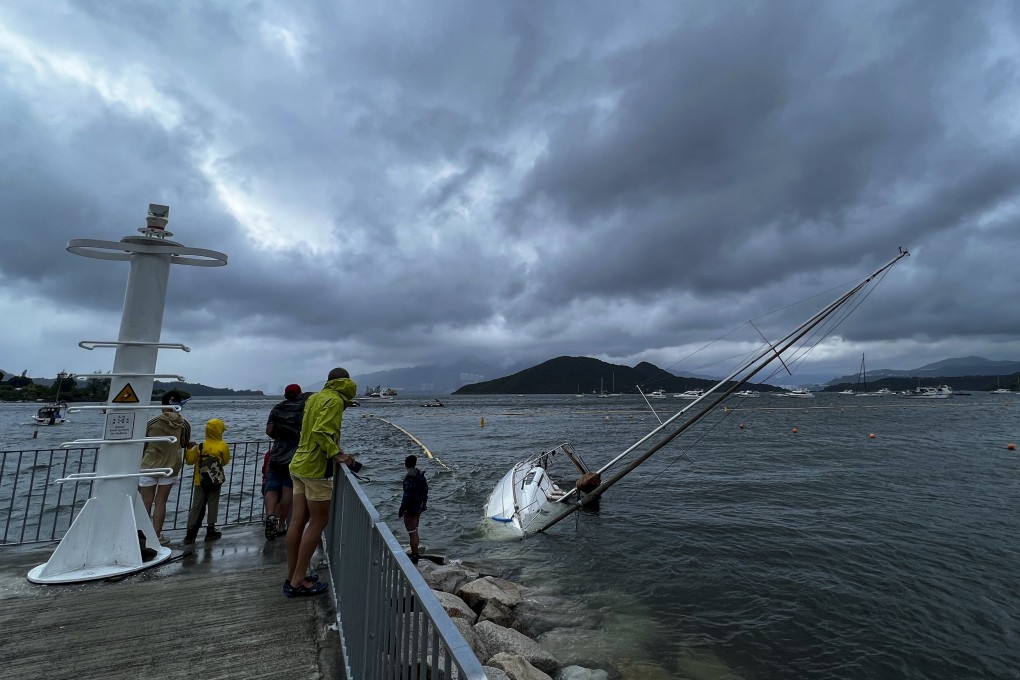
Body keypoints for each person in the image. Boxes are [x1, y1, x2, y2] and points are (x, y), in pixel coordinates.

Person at [285, 367, 358, 598]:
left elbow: (310, 430)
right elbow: (321, 431)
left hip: (298, 463)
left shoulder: (314, 397)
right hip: (316, 469)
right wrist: (337, 454)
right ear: (347, 383)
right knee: (319, 521)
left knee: (298, 521)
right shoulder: (335, 400)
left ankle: (293, 574)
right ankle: (298, 580)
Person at [138, 390, 191, 545]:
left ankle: (141, 536)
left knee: (146, 502)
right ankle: (156, 536)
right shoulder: (184, 424)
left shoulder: (152, 423)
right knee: (161, 502)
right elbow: (184, 443)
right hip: (170, 466)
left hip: (149, 465)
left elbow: (143, 443)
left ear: (163, 405)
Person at [263, 383, 307, 540]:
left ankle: (270, 516)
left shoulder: (277, 408)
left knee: (272, 487)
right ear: (299, 393)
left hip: (276, 453)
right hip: (294, 455)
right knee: (288, 489)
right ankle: (281, 524)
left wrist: (278, 436)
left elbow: (269, 430)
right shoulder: (304, 407)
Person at [182, 418, 231, 544]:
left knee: (196, 506)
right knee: (213, 504)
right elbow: (225, 461)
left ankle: (190, 533)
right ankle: (211, 530)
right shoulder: (223, 446)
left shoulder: (201, 446)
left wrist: (188, 450)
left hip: (200, 481)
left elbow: (189, 461)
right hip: (215, 480)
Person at [398, 454, 429, 565]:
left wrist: (401, 510)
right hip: (418, 508)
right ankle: (415, 552)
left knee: (412, 533)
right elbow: (425, 491)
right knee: (415, 530)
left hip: (411, 509)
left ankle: (414, 555)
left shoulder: (409, 478)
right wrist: (423, 504)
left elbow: (407, 496)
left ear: (406, 464)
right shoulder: (420, 476)